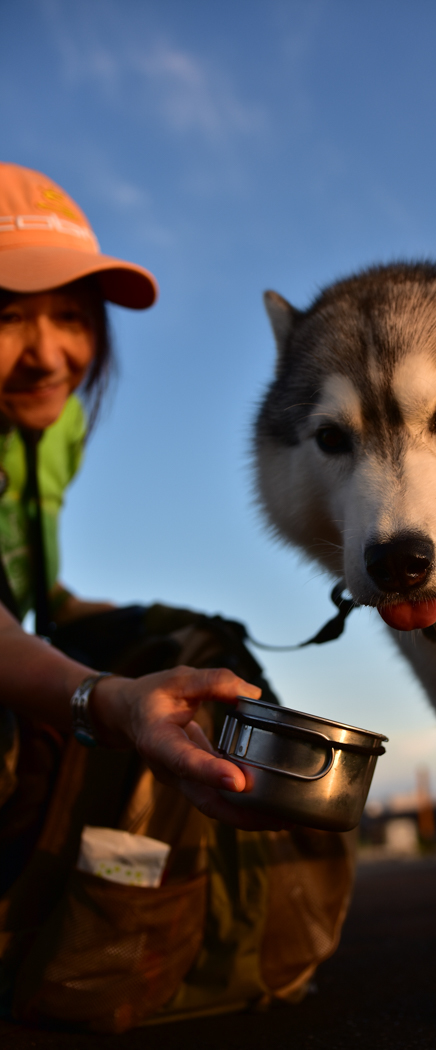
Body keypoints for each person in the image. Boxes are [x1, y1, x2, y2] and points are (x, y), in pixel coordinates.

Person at [0, 164, 353, 1031]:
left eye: (72, 316)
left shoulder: (56, 425)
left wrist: (113, 637)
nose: (50, 353)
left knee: (198, 643)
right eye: (9, 315)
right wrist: (102, 697)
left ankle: (213, 931)